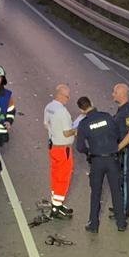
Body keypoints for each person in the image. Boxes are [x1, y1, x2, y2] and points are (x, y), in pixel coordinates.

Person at [74, 94, 126, 233]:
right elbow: (119, 133)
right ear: (92, 102)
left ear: (81, 110)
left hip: (96, 161)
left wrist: (88, 152)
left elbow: (79, 147)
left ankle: (94, 225)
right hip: (112, 159)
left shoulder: (84, 124)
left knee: (96, 193)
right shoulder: (107, 116)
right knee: (116, 191)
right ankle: (121, 223)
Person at [43, 82, 77, 217]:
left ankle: (55, 203)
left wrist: (54, 131)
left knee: (55, 175)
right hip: (64, 149)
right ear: (61, 95)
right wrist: (77, 130)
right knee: (63, 177)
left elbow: (46, 124)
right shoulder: (63, 112)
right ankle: (57, 208)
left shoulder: (48, 107)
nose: (68, 99)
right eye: (67, 97)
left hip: (53, 146)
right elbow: (67, 133)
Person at [111, 83, 129, 221]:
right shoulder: (121, 109)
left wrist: (118, 148)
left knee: (125, 179)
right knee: (119, 178)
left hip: (126, 150)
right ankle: (120, 204)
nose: (112, 95)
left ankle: (124, 211)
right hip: (120, 150)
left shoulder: (128, 111)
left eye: (114, 92)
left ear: (121, 94)